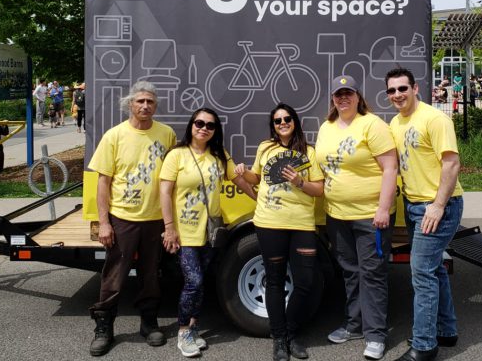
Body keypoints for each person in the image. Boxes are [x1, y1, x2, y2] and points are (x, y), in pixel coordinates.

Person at [87, 81, 176, 357]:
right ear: (130, 104)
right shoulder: (114, 136)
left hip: (155, 219)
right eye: (140, 101)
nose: (145, 106)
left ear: (156, 105)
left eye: (150, 102)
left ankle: (149, 323)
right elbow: (103, 183)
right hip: (123, 217)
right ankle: (104, 327)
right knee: (114, 275)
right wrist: (104, 222)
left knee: (151, 274)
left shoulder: (167, 134)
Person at [160, 108, 255, 358]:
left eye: (210, 125)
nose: (204, 128)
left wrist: (260, 199)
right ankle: (183, 331)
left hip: (211, 231)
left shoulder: (219, 155)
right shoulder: (177, 155)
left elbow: (239, 180)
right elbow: (164, 192)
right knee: (194, 282)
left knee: (201, 282)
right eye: (199, 123)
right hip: (185, 231)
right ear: (191, 125)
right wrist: (169, 228)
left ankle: (193, 327)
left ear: (215, 131)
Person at [315, 75, 398, 361]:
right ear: (333, 99)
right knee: (350, 272)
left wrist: (383, 209)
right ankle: (354, 326)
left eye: (348, 93)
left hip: (369, 216)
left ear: (358, 97)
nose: (343, 98)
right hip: (337, 215)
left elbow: (390, 168)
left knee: (372, 274)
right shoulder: (326, 127)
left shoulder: (373, 125)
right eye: (338, 94)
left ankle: (376, 335)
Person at [385, 67, 464, 361]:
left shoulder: (435, 119)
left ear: (415, 88)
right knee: (434, 270)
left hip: (439, 206)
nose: (397, 95)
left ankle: (424, 345)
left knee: (421, 273)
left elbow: (452, 164)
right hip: (415, 206)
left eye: (402, 88)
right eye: (391, 91)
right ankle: (446, 330)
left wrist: (438, 205)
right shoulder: (395, 123)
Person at [235, 103, 325, 361]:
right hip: (269, 222)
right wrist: (244, 173)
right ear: (273, 125)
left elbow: (319, 190)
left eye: (287, 119)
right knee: (274, 280)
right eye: (277, 120)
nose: (282, 123)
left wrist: (299, 181)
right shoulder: (266, 147)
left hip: (301, 224)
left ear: (295, 121)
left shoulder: (309, 152)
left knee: (305, 283)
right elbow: (256, 178)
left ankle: (291, 332)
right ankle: (279, 339)